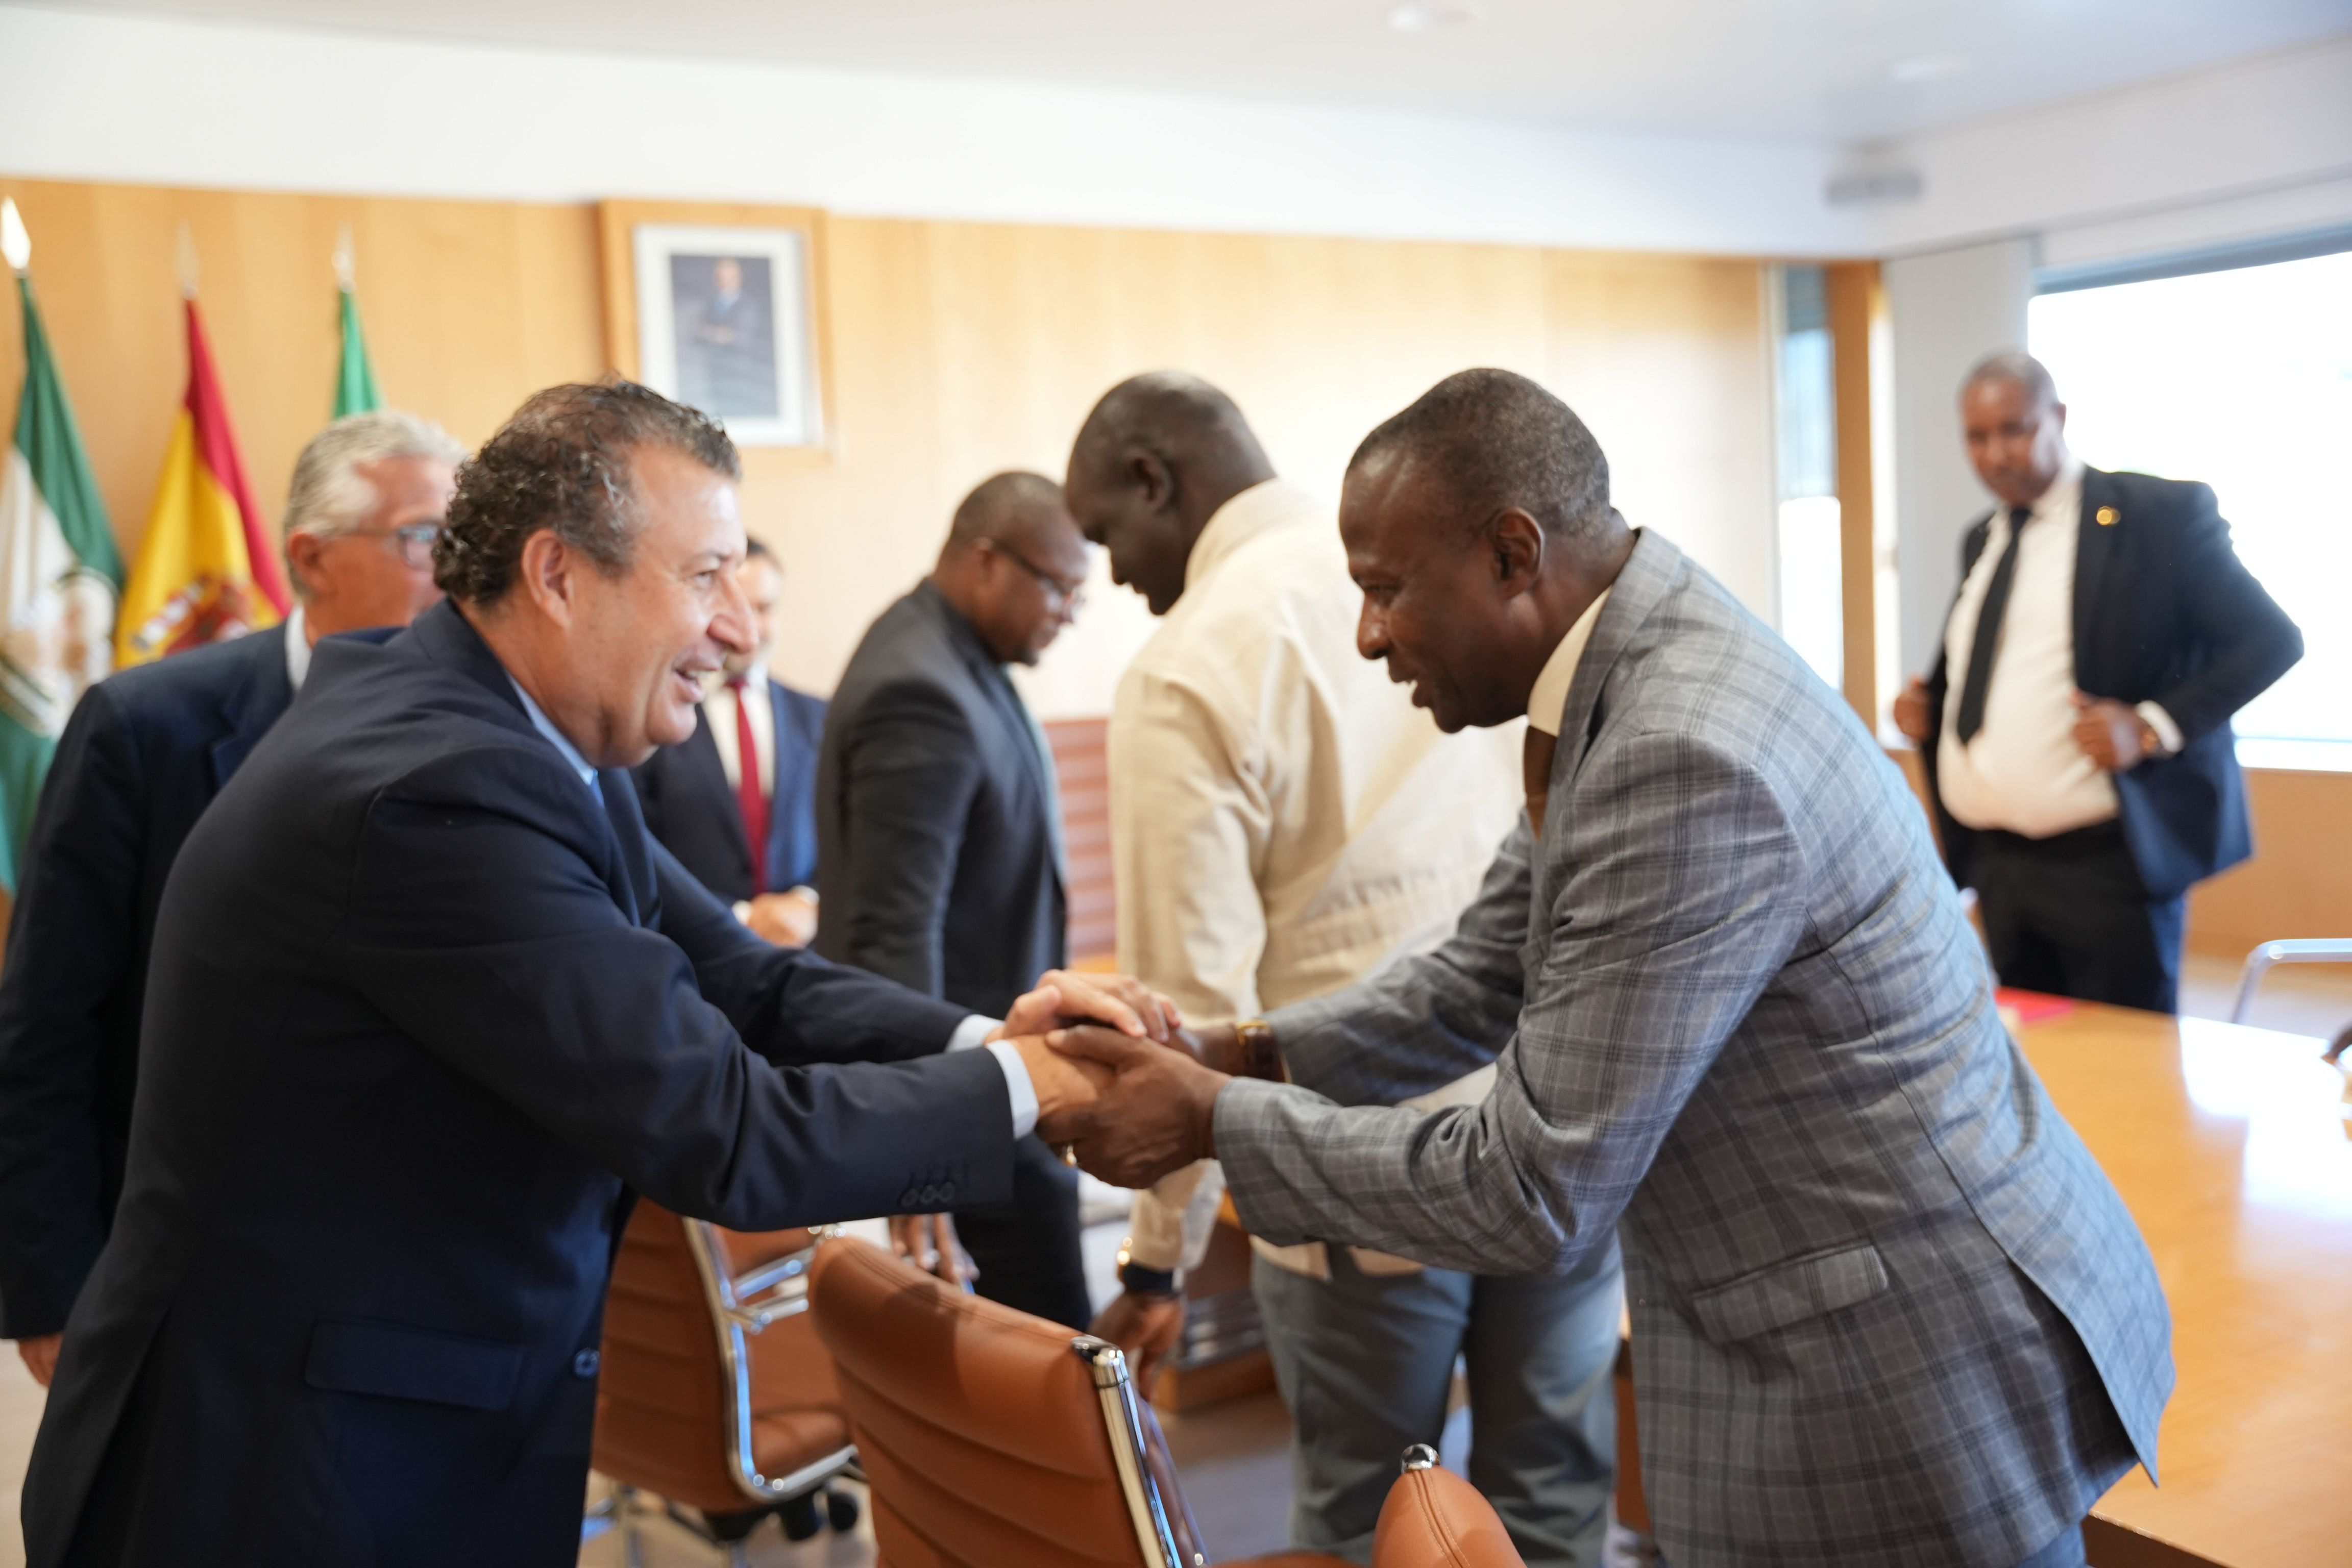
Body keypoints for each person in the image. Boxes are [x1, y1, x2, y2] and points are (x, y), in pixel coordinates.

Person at [18, 383, 1165, 1568]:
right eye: (706, 575)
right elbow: (726, 1131)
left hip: (396, 1420)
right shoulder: (436, 786)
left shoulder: (524, 727)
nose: (738, 629)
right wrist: (1037, 1085)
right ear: (559, 575)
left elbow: (742, 979)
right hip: (291, 1470)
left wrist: (984, 1039)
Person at [1055, 369, 2175, 1568]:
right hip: (1847, 1297)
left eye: (1385, 590)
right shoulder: (1623, 657)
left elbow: (1533, 1187)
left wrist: (1213, 1118)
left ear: (1512, 553)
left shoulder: (1678, 748)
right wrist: (1233, 1053)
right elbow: (1480, 973)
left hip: (1901, 1364)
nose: (1369, 634)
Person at [1064, 372, 1620, 1565]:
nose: (1112, 574)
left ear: (1155, 480)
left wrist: (1157, 1254)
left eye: (1106, 534)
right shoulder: (1460, 573)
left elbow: (1186, 997)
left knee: (1368, 1519)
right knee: (1555, 1503)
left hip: (1357, 1175)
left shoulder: (1188, 665)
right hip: (1550, 1119)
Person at [0, 408, 462, 1390]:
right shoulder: (146, 726)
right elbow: (48, 1018)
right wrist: (51, 1285)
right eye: (426, 538)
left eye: (470, 541)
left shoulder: (496, 730)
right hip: (191, 1264)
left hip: (417, 1267)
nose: (459, 572)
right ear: (311, 556)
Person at [1892, 351, 2300, 1012]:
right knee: (2036, 1056)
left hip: (2105, 866)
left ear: (2058, 417)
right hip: (1999, 864)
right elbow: (1993, 668)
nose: (1996, 454)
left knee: (2126, 1061)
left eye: (2015, 429)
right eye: (1978, 436)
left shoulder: (2156, 515)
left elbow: (2272, 641)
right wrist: (1929, 709)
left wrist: (2150, 726)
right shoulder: (1983, 537)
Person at [813, 472, 1096, 1328]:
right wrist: (922, 1154)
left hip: (992, 1083)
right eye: (1057, 587)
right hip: (967, 1108)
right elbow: (891, 934)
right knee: (1049, 1355)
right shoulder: (921, 690)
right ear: (985, 561)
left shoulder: (957, 653)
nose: (1069, 613)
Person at [633, 538, 826, 946]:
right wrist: (742, 918)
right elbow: (640, 845)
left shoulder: (817, 718)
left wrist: (807, 902)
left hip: (803, 952)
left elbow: (845, 836)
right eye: (733, 607)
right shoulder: (657, 718)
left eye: (764, 608)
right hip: (694, 945)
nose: (749, 627)